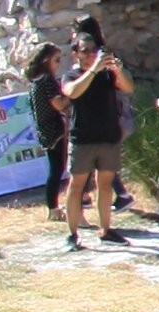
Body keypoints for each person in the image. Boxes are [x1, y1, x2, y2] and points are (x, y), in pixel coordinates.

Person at [57, 17, 130, 248]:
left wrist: (117, 70)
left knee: (106, 184)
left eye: (93, 51)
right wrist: (93, 71)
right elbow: (72, 93)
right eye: (85, 51)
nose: (91, 55)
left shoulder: (107, 73)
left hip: (108, 135)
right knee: (76, 186)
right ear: (75, 54)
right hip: (84, 138)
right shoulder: (71, 75)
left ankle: (106, 229)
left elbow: (128, 88)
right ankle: (73, 235)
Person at [25, 45, 66, 217]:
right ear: (46, 60)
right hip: (54, 129)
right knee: (57, 169)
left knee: (55, 169)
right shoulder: (47, 81)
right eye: (56, 60)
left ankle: (53, 207)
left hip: (45, 130)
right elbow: (58, 104)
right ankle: (54, 208)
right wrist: (72, 93)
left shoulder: (37, 81)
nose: (59, 64)